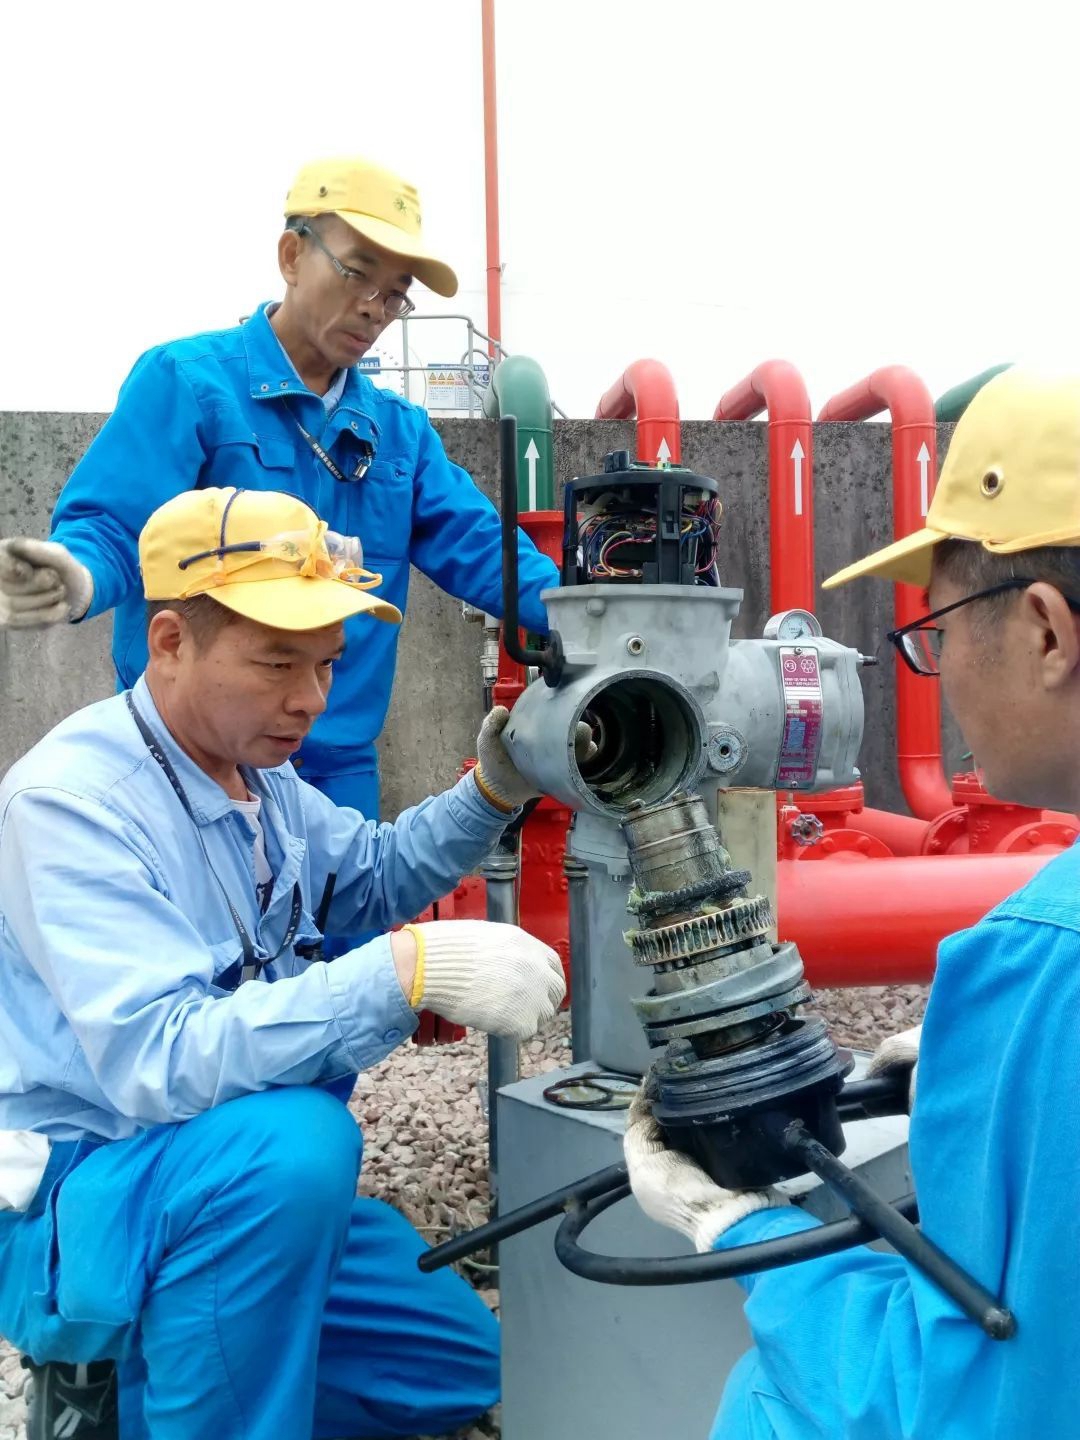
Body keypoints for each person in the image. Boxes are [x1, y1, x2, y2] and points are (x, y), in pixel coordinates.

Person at [0, 486, 586, 1440]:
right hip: (96, 1184)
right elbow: (159, 1058)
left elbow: (372, 874)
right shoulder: (74, 806)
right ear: (170, 641)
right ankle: (99, 1370)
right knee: (297, 1147)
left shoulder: (256, 776)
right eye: (278, 661)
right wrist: (400, 973)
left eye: (326, 663)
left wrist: (491, 790)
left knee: (457, 1366)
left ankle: (164, 1370)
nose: (311, 699)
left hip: (223, 1171)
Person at [623, 366, 1080, 1438]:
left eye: (940, 629)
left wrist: (740, 1233)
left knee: (768, 1406)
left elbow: (969, 1402)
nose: (938, 668)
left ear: (1047, 632)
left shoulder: (1044, 965)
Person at [0, 153, 560, 822]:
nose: (374, 308)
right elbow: (118, 526)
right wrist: (78, 574)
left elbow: (483, 549)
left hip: (335, 769)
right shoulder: (190, 383)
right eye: (357, 272)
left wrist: (596, 616)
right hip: (190, 758)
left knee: (351, 890)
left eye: (395, 293)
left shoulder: (399, 435)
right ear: (292, 256)